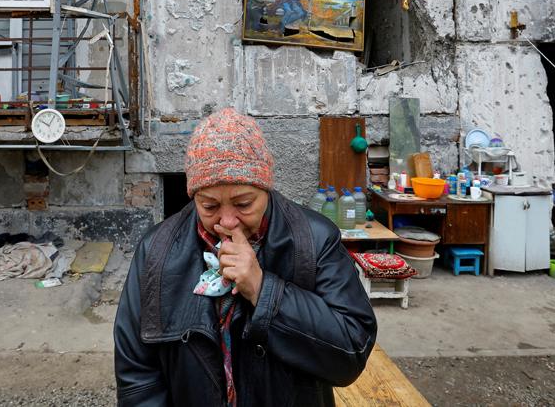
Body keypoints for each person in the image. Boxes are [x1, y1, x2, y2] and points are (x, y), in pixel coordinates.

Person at [114, 108, 376, 406]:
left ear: (266, 189)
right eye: (209, 206)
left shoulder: (314, 241)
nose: (227, 221)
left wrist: (264, 291)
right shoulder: (156, 251)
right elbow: (137, 375)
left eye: (243, 203)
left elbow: (351, 353)